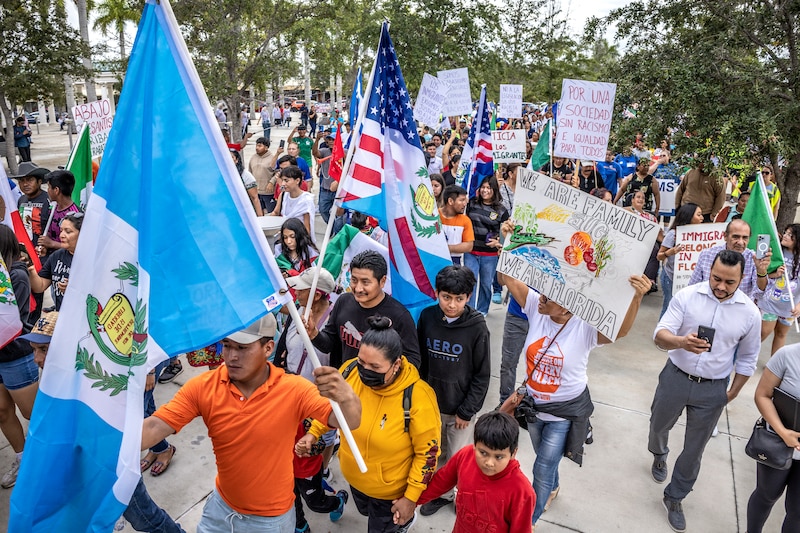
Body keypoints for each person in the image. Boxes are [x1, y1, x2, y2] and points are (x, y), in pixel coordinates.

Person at [141, 314, 361, 532]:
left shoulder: (294, 390)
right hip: (220, 510)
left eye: (243, 348)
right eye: (227, 345)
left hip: (270, 521)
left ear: (268, 348)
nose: (232, 356)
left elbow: (349, 421)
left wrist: (347, 396)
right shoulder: (203, 387)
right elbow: (154, 427)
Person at [499, 218, 651, 528]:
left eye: (550, 295)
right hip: (534, 407)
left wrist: (636, 297)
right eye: (543, 291)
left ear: (568, 307)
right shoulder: (534, 307)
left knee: (541, 467)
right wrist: (509, 240)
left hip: (565, 412)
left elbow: (619, 332)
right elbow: (509, 277)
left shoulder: (584, 328)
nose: (541, 296)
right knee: (545, 457)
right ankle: (553, 485)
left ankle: (526, 523)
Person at [650, 250, 762, 532]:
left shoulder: (750, 313)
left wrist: (731, 394)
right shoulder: (687, 296)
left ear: (742, 278)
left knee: (694, 449)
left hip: (713, 389)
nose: (721, 287)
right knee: (657, 425)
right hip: (675, 377)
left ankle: (675, 496)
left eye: (729, 282)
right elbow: (660, 335)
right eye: (716, 278)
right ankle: (659, 452)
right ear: (709, 271)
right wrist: (680, 342)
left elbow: (748, 359)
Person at [335, 315, 441, 533]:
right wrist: (315, 433)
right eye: (361, 361)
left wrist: (411, 498)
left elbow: (427, 455)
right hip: (354, 479)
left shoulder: (419, 398)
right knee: (365, 512)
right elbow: (331, 408)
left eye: (375, 366)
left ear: (396, 364)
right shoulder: (348, 371)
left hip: (389, 494)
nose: (364, 370)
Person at [416, 265, 490, 516]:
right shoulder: (427, 317)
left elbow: (482, 374)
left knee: (460, 459)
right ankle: (441, 493)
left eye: (459, 299)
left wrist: (467, 412)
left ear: (469, 297)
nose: (452, 305)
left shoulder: (477, 327)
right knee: (436, 454)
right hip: (431, 406)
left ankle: (458, 494)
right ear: (437, 293)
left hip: (460, 411)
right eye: (446, 297)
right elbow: (420, 362)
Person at [416, 412, 535, 532]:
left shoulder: (522, 491)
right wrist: (411, 501)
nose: (489, 462)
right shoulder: (465, 456)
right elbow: (441, 481)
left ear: (513, 453)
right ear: (474, 445)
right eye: (483, 453)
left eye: (498, 457)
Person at [306, 250, 421, 369]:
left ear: (382, 281)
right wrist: (313, 333)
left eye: (365, 282)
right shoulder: (343, 302)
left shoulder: (399, 316)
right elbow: (328, 345)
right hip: (345, 384)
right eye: (354, 280)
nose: (358, 288)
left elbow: (413, 361)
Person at [745, 342, 800, 533]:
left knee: (797, 512)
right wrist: (783, 433)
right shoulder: (787, 355)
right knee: (766, 495)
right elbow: (762, 395)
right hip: (776, 442)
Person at [0, 225, 39, 489]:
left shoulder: (17, 275)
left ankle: (48, 461)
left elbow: (15, 320)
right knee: (2, 411)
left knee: (31, 412)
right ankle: (23, 459)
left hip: (15, 354)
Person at [688, 219, 770, 300]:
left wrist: (761, 272)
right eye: (736, 237)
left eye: (745, 238)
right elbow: (692, 288)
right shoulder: (707, 255)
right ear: (725, 236)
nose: (740, 242)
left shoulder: (754, 259)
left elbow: (760, 295)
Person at [464, 177, 509, 314]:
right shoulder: (471, 204)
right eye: (483, 187)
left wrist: (499, 242)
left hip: (489, 255)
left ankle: (482, 311)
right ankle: (469, 311)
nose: (485, 190)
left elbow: (506, 232)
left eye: (488, 188)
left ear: (494, 190)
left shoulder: (502, 210)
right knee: (470, 282)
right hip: (471, 251)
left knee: (485, 284)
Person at [758, 224, 800, 356]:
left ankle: (774, 366)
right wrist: (774, 274)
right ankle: (744, 357)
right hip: (770, 301)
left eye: (790, 235)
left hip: (790, 306)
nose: (786, 236)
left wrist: (799, 305)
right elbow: (762, 273)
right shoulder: (776, 252)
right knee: (763, 332)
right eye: (785, 233)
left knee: (781, 334)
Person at [29, 212, 82, 311]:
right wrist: (30, 269)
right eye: (61, 230)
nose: (61, 235)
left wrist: (74, 289)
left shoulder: (92, 260)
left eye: (68, 231)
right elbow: (40, 286)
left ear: (83, 234)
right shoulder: (57, 256)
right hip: (61, 317)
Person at [657, 203, 704, 317]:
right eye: (699, 214)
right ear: (689, 216)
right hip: (671, 277)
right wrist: (670, 252)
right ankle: (661, 332)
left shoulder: (701, 234)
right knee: (669, 306)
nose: (702, 217)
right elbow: (659, 256)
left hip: (688, 278)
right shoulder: (673, 234)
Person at [38, 170, 81, 255]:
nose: (48, 191)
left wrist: (52, 244)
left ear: (56, 190)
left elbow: (77, 246)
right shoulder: (52, 208)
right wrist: (45, 246)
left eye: (49, 187)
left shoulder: (75, 215)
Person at [270, 166, 316, 241]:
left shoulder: (306, 200)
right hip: (285, 238)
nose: (283, 184)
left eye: (286, 180)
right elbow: (276, 212)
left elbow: (307, 228)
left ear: (297, 180)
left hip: (299, 240)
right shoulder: (283, 195)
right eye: (282, 180)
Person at [439, 185, 474, 266]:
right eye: (462, 200)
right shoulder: (434, 216)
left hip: (455, 261)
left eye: (465, 200)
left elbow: (469, 246)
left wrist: (447, 248)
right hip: (434, 258)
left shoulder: (466, 221)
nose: (465, 204)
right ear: (450, 201)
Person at [248, 137, 278, 213]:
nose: (257, 148)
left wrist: (272, 182)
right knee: (258, 213)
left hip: (268, 192)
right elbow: (249, 172)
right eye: (256, 146)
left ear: (266, 147)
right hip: (255, 192)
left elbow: (278, 173)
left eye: (260, 146)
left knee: (270, 213)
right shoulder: (253, 157)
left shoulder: (272, 158)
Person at [230, 149, 263, 216]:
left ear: (236, 160)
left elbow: (255, 198)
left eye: (231, 157)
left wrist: (260, 217)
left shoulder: (245, 175)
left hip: (245, 211)